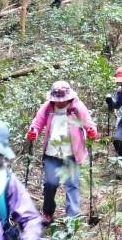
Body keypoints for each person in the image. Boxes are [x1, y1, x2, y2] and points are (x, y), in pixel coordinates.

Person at [25, 81, 99, 225]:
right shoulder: (48, 107)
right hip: (52, 153)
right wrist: (33, 131)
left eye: (63, 99)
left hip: (72, 154)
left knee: (72, 185)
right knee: (50, 184)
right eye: (57, 100)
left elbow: (89, 123)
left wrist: (91, 131)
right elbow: (37, 123)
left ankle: (72, 220)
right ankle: (47, 212)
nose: (60, 102)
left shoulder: (76, 107)